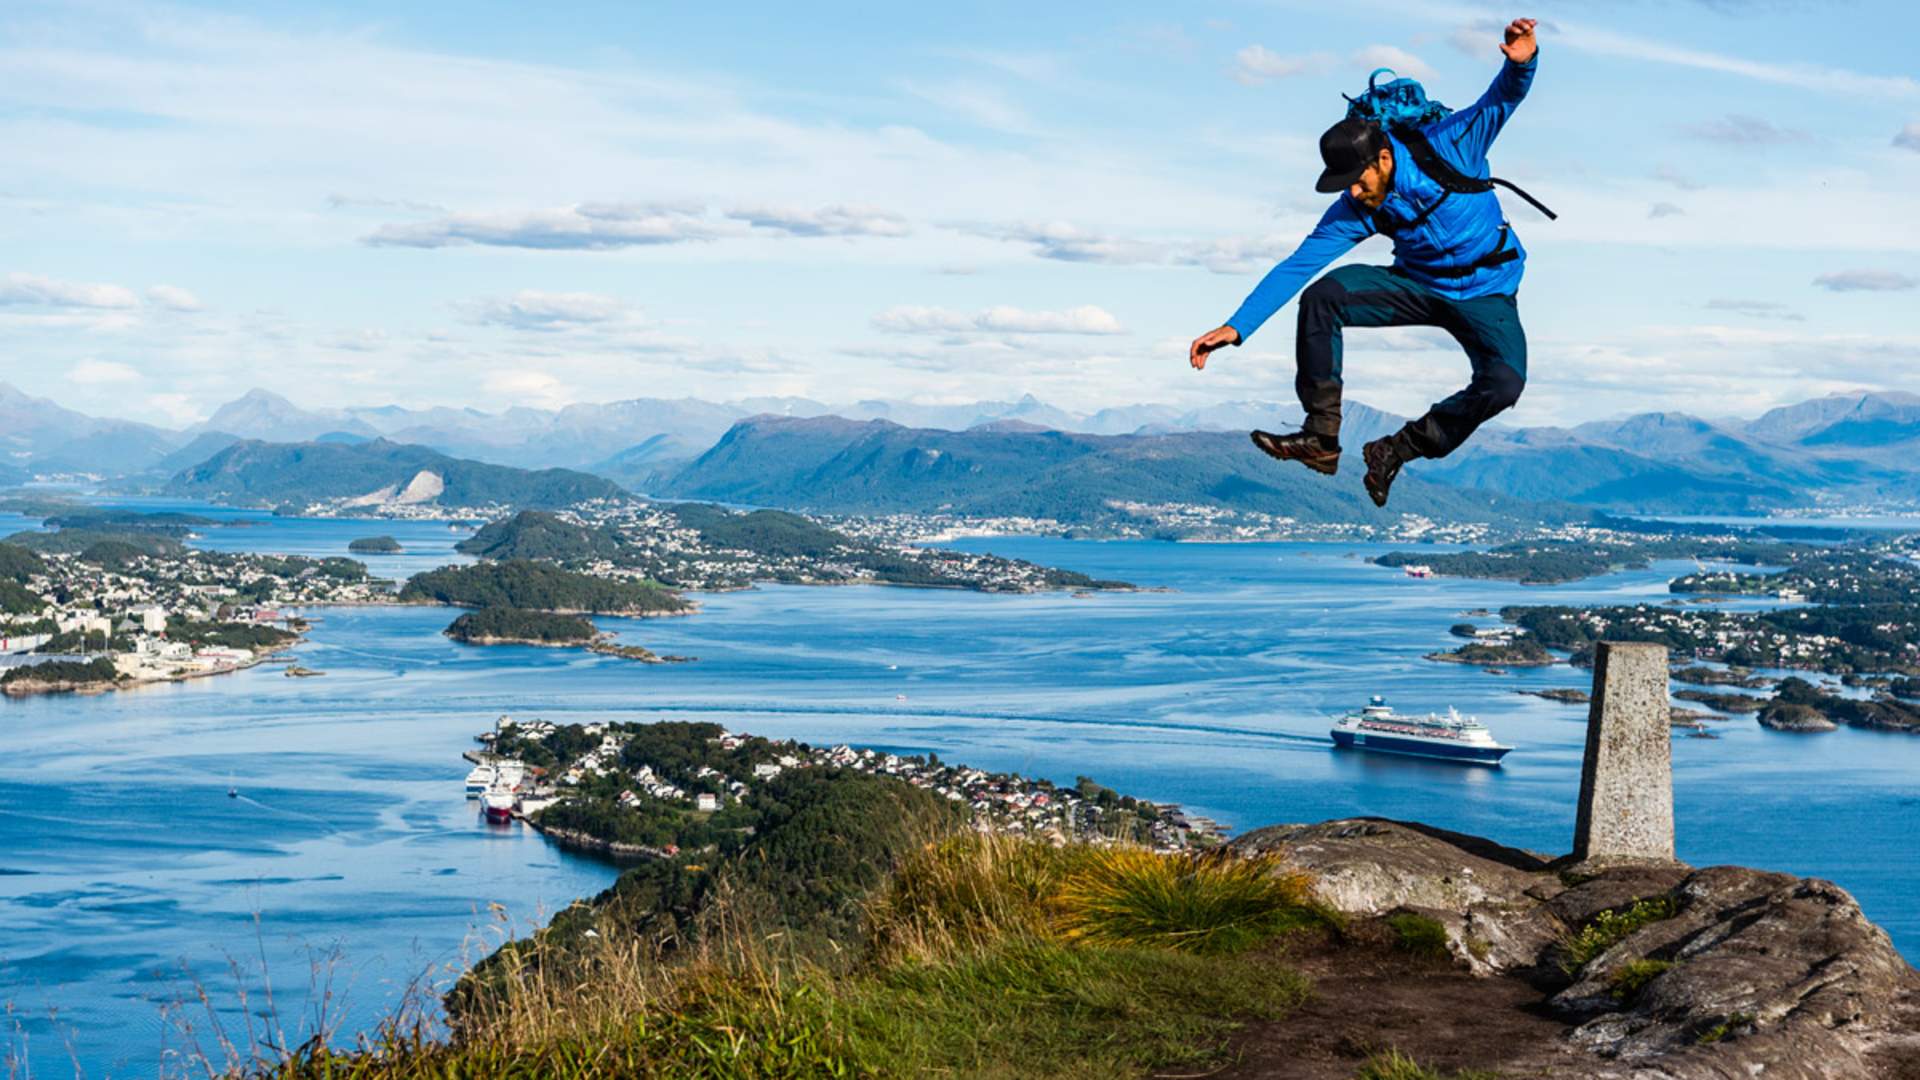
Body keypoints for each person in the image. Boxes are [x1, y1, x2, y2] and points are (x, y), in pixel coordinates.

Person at [1188, 17, 1541, 508]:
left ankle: (1396, 449)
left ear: (1384, 159)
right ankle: (1320, 438)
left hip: (1487, 292)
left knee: (1503, 385)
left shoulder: (1453, 144)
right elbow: (1299, 264)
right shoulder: (1357, 207)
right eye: (1345, 185)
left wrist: (1523, 63)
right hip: (1417, 286)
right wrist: (1237, 325)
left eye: (1358, 180)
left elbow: (1501, 99)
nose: (1353, 193)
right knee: (1324, 296)